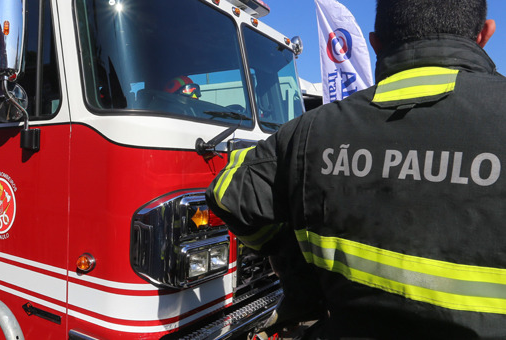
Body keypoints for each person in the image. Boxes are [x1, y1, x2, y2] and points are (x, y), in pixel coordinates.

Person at [206, 0, 506, 338]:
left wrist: (295, 264)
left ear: (375, 42)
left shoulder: (310, 131)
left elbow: (227, 193)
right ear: (485, 34)